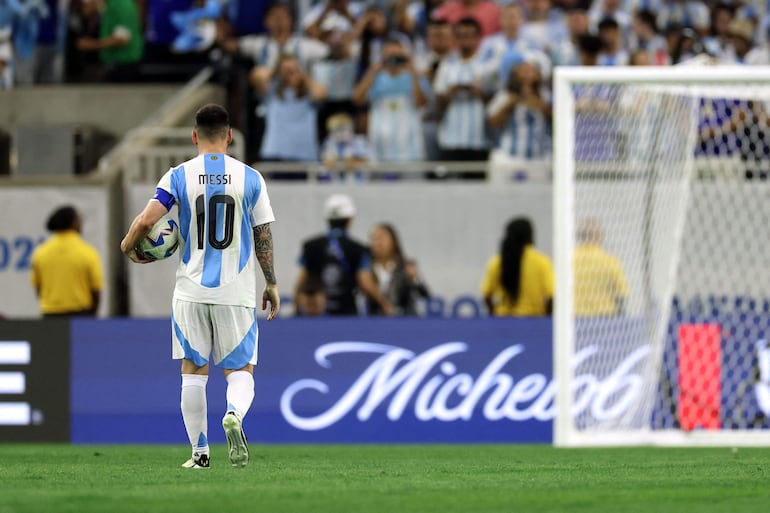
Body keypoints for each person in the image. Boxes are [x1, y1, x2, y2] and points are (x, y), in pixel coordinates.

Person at [120, 104, 280, 469]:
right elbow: (263, 234)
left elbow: (147, 220)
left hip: (190, 290)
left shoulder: (178, 175)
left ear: (194, 136)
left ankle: (200, 453)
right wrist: (270, 282)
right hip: (235, 291)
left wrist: (128, 246)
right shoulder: (250, 177)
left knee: (193, 371)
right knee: (240, 372)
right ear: (229, 135)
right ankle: (234, 415)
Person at [294, 194, 392, 316]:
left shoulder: (310, 246)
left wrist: (296, 308)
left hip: (318, 313)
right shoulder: (359, 249)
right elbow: (364, 281)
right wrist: (383, 303)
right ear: (350, 221)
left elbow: (302, 280)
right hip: (347, 312)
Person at [30, 206, 104, 317]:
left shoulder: (41, 252)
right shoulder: (87, 252)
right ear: (74, 223)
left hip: (50, 316)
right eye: (79, 220)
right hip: (81, 316)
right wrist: (91, 318)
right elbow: (96, 290)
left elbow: (38, 288)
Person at [481, 217, 553, 316]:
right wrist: (546, 317)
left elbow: (486, 295)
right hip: (534, 320)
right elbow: (551, 296)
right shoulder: (542, 261)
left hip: (503, 319)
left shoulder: (497, 262)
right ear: (530, 235)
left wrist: (494, 313)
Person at [368, 223, 430, 316]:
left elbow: (425, 296)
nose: (378, 243)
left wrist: (415, 279)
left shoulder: (405, 266)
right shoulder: (365, 269)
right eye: (374, 239)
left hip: (403, 321)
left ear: (394, 241)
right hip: (376, 322)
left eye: (382, 238)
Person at [573, 218, 628, 317]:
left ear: (579, 236)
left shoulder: (569, 261)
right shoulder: (610, 262)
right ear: (600, 236)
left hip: (574, 318)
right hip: (603, 320)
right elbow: (621, 295)